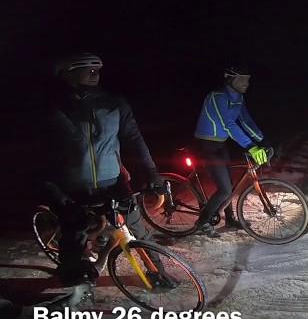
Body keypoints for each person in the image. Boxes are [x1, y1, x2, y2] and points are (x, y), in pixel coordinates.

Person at [41, 53, 170, 285]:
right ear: (67, 73)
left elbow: (134, 137)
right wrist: (55, 193)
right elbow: (42, 153)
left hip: (113, 180)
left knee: (137, 228)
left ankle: (159, 272)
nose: (95, 73)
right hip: (73, 186)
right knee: (74, 235)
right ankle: (72, 285)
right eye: (86, 68)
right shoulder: (54, 107)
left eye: (97, 69)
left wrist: (152, 173)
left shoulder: (114, 102)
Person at [193, 65, 269, 237]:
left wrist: (262, 140)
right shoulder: (217, 97)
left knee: (230, 186)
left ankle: (229, 218)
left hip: (220, 144)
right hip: (207, 146)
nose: (247, 83)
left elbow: (246, 121)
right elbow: (228, 125)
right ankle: (202, 222)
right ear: (230, 79)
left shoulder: (238, 98)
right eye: (242, 79)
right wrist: (250, 146)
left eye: (248, 79)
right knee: (225, 189)